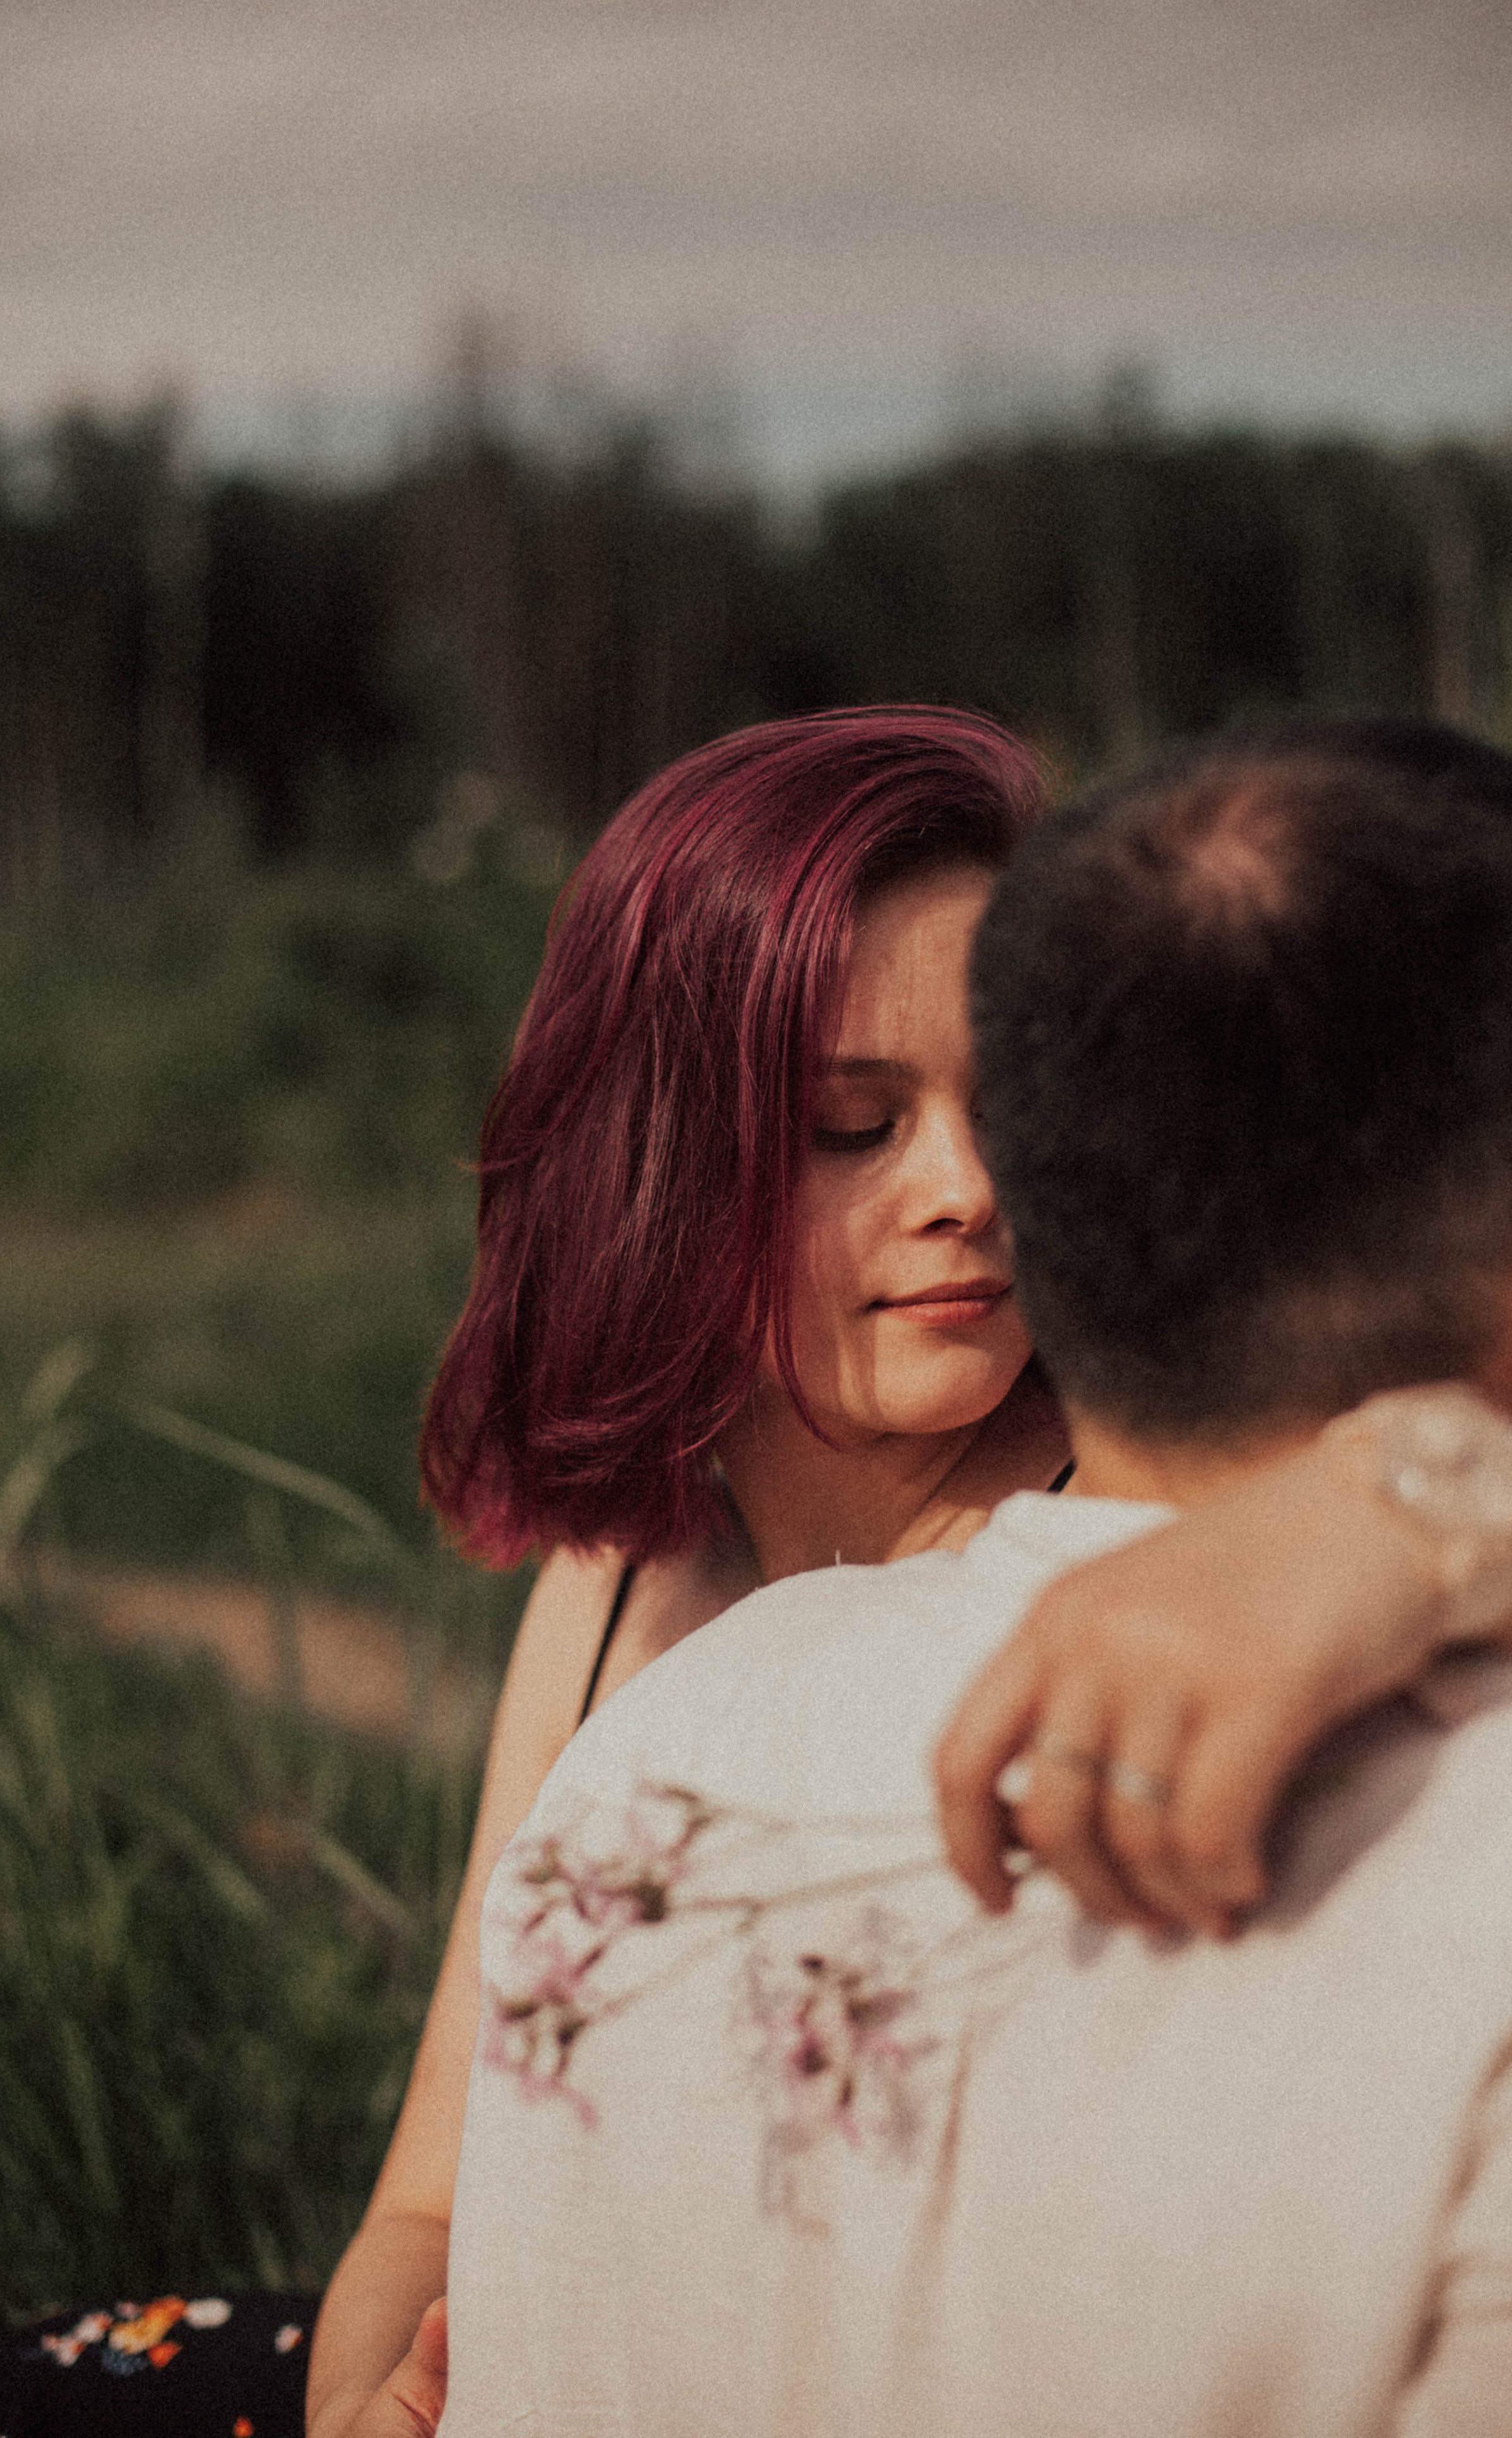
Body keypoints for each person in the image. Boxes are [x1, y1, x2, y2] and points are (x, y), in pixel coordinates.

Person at [312, 709, 1512, 2438]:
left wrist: (1408, 1510)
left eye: (1002, 1113)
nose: (964, 1191)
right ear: (657, 1164)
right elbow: (432, 2197)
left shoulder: (1177, 1536)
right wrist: (364, 2392)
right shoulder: (613, 1587)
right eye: (849, 1126)